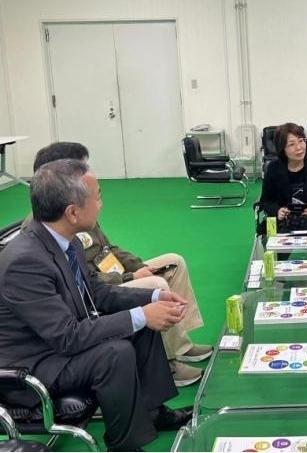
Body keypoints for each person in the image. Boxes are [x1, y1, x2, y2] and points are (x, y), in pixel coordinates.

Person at [0, 159, 192, 451]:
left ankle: (153, 412)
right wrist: (141, 315)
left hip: (56, 346)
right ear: (73, 212)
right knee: (115, 352)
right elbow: (67, 337)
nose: (101, 204)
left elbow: (97, 293)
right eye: (98, 197)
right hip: (34, 365)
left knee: (141, 325)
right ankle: (125, 446)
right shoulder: (25, 262)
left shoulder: (66, 241)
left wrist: (153, 298)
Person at [29, 142, 212, 387]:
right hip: (104, 288)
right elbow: (82, 286)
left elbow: (108, 249)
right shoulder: (50, 228)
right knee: (155, 286)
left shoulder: (79, 215)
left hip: (112, 277)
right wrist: (130, 278)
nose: (89, 175)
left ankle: (181, 345)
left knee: (173, 262)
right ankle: (168, 363)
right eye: (81, 169)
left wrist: (137, 266)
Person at [258, 122, 307, 233]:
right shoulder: (274, 168)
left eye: (301, 141)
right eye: (292, 144)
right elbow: (265, 202)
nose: (299, 147)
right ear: (282, 148)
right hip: (284, 223)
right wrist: (277, 211)